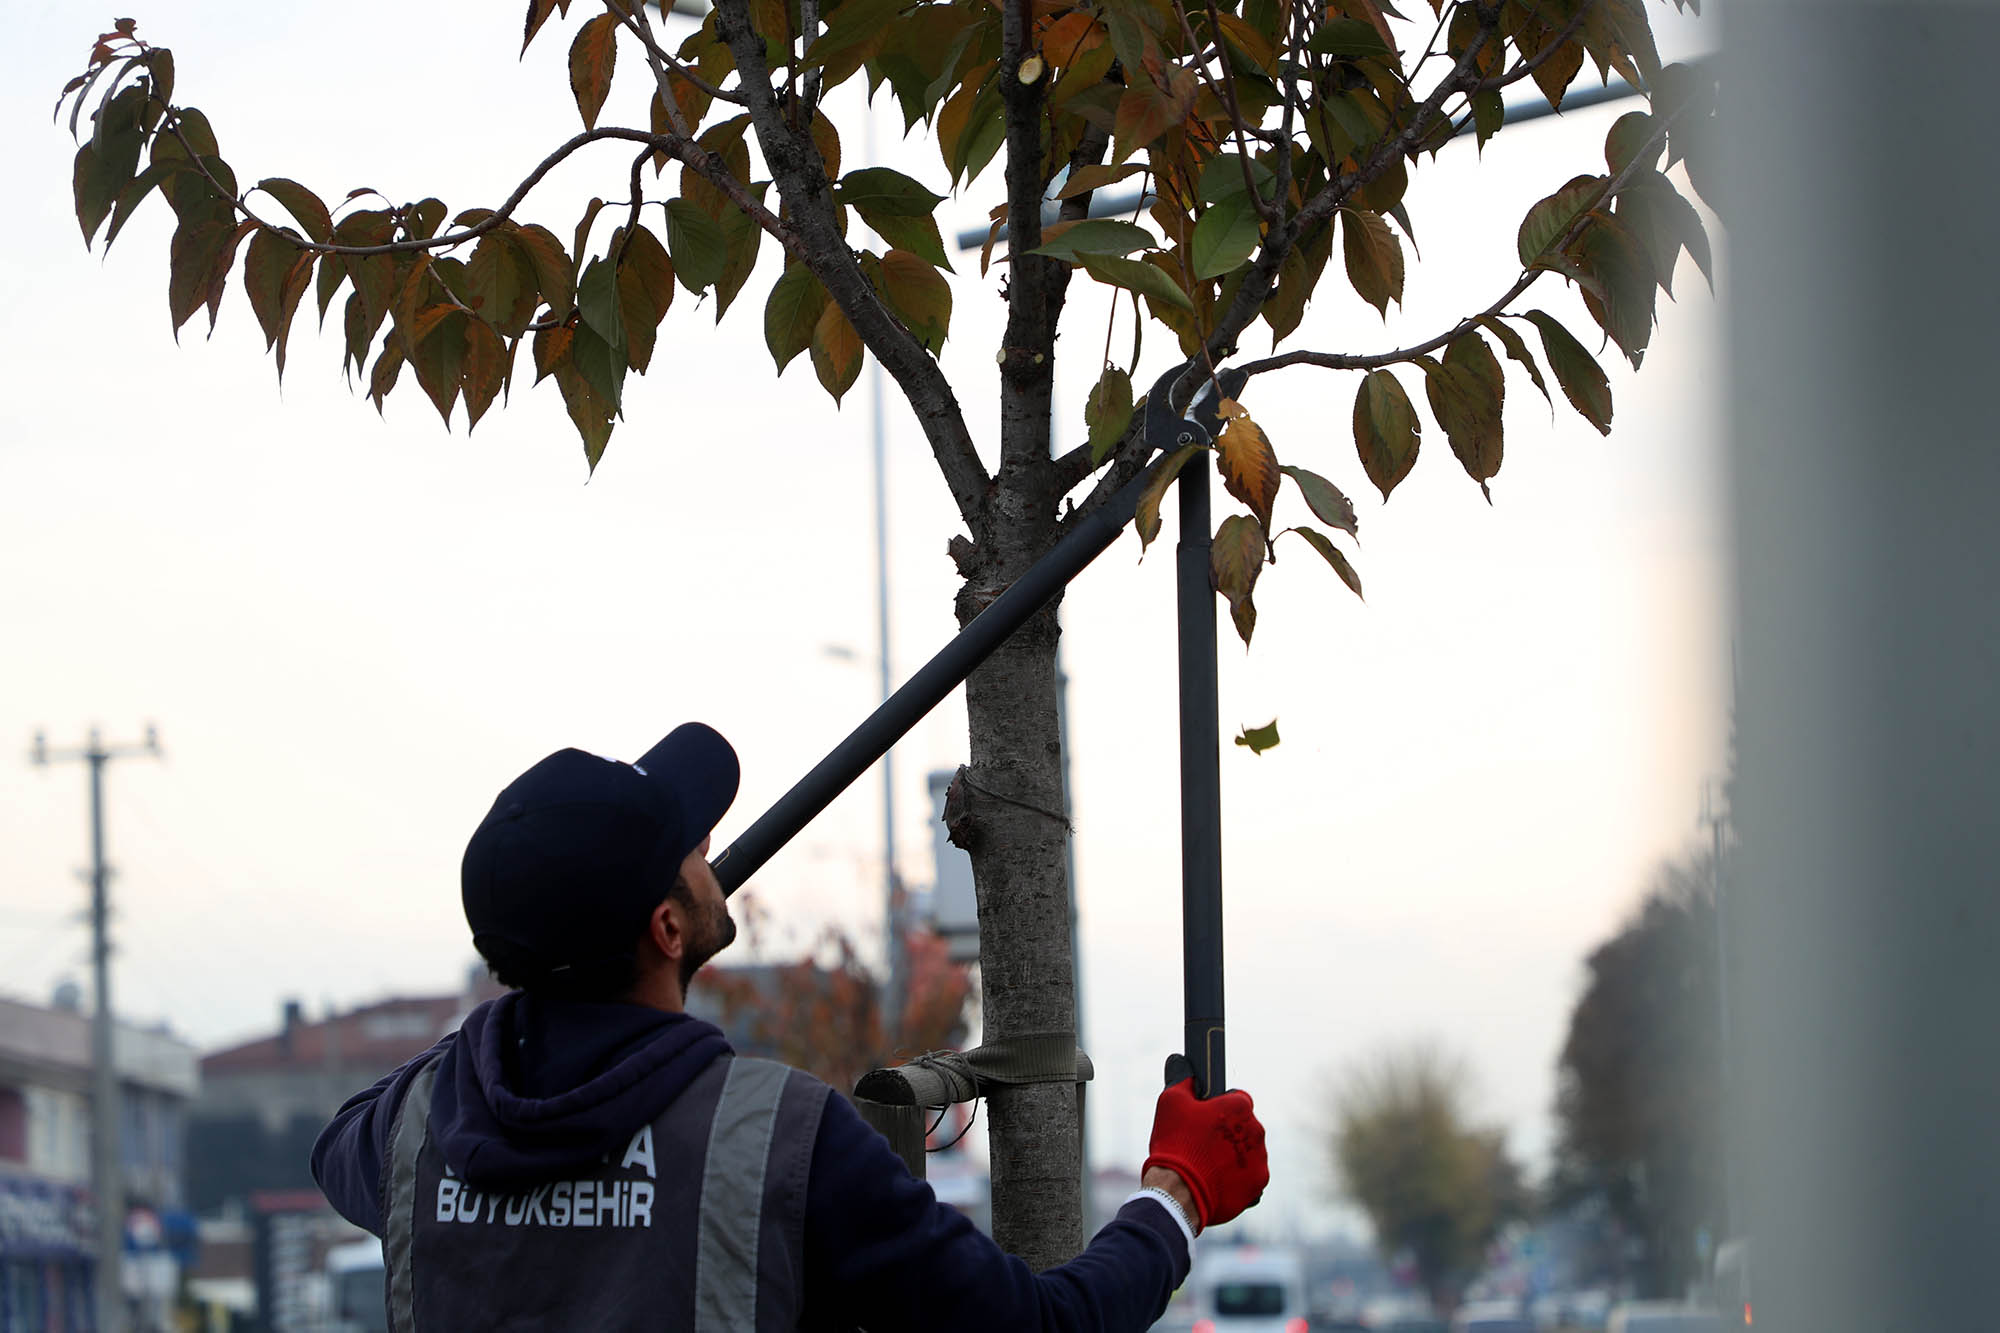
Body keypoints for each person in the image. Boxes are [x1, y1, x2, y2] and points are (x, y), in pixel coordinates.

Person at [311, 723, 1269, 1331]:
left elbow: (337, 1141)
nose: (709, 851)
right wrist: (1176, 1196)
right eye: (690, 848)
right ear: (668, 926)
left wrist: (524, 996)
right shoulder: (775, 1142)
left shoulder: (417, 1127)